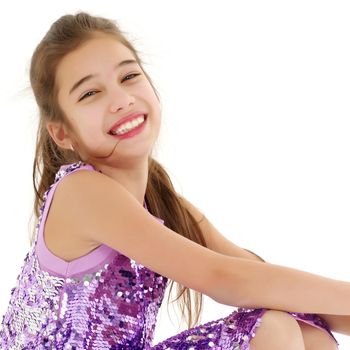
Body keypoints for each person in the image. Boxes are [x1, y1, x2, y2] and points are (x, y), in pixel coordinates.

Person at [0, 11, 348, 350]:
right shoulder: (81, 192)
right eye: (90, 93)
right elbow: (224, 278)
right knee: (274, 329)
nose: (122, 100)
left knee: (306, 329)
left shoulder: (161, 201)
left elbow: (260, 278)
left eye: (129, 77)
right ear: (62, 133)